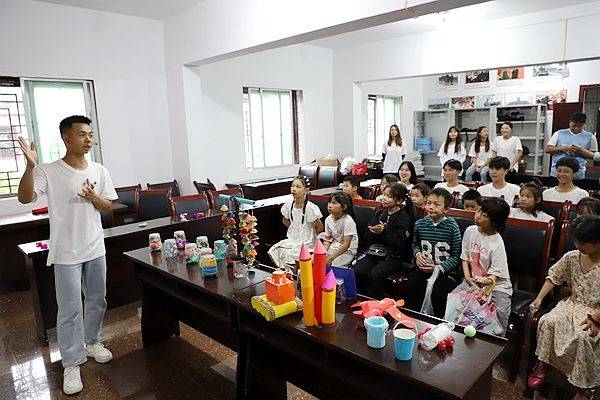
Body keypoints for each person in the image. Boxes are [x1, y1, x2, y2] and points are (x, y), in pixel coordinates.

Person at [17, 115, 118, 395]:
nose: (88, 140)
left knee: (97, 299)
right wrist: (30, 167)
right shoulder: (48, 171)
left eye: (90, 135)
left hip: (95, 246)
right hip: (66, 252)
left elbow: (108, 206)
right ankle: (72, 362)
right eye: (82, 134)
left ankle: (92, 341)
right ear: (66, 137)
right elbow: (25, 198)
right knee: (70, 308)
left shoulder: (99, 169)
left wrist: (93, 198)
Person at [528, 215, 600, 399]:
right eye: (576, 242)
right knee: (548, 321)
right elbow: (554, 277)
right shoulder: (572, 257)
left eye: (583, 243)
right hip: (573, 303)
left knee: (585, 336)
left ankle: (583, 384)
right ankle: (543, 364)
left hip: (596, 311)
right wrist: (539, 298)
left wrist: (596, 316)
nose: (578, 246)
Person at [402, 188, 462, 318]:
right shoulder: (420, 224)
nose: (431, 207)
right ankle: (411, 318)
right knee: (411, 285)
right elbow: (415, 244)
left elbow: (456, 256)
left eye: (436, 204)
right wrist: (417, 255)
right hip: (423, 268)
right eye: (429, 203)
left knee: (439, 293)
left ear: (446, 209)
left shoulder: (452, 226)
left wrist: (438, 267)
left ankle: (436, 322)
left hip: (444, 271)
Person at [459, 197, 512, 333]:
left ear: (495, 221)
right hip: (473, 282)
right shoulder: (470, 230)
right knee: (456, 304)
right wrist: (467, 277)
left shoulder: (497, 242)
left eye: (485, 216)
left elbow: (495, 276)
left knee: (498, 314)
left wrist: (484, 282)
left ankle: (496, 343)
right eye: (479, 211)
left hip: (496, 286)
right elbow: (465, 257)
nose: (478, 216)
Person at [354, 183, 417, 297]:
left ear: (399, 200)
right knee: (358, 270)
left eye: (389, 196)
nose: (384, 198)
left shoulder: (404, 218)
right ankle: (361, 299)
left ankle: (377, 302)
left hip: (393, 256)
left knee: (376, 275)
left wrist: (383, 232)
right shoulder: (379, 213)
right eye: (384, 194)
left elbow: (398, 243)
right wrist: (374, 232)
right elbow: (366, 235)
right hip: (374, 252)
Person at [268, 176, 324, 271]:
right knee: (276, 248)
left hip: (307, 240)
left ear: (306, 190)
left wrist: (312, 235)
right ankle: (286, 274)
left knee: (291, 252)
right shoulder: (288, 205)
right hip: (293, 238)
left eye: (298, 187)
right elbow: (285, 220)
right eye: (292, 186)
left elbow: (320, 226)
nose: (294, 189)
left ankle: (295, 275)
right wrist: (294, 228)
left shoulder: (310, 208)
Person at [546, 112, 598, 180]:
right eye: (574, 125)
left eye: (580, 126)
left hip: (578, 174)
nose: (576, 128)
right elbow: (548, 149)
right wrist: (562, 148)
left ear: (584, 125)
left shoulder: (591, 137)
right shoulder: (558, 133)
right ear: (570, 122)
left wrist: (581, 151)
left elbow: (594, 156)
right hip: (556, 174)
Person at [321, 192, 358, 266]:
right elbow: (327, 240)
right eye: (329, 202)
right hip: (334, 246)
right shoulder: (328, 219)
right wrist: (323, 253)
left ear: (344, 207)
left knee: (333, 265)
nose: (329, 206)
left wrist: (331, 258)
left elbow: (346, 244)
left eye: (334, 203)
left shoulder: (348, 221)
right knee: (318, 261)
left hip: (348, 250)